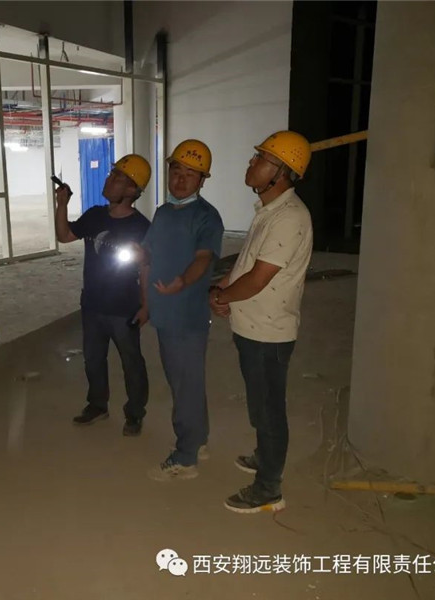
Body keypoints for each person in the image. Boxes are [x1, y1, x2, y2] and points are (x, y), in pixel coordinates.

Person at [209, 130, 313, 513]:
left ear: (281, 172)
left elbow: (257, 279)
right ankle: (264, 456)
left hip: (268, 333)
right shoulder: (269, 211)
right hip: (251, 326)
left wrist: (221, 298)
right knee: (259, 403)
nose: (251, 163)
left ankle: (269, 488)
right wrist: (223, 287)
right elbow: (245, 265)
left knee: (269, 411)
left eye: (261, 159)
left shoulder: (290, 218)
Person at [139, 140, 224, 481]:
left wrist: (182, 281)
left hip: (186, 316)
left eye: (191, 173)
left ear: (202, 180)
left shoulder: (206, 217)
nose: (181, 179)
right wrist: (146, 302)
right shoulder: (163, 213)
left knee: (185, 385)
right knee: (186, 383)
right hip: (164, 313)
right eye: (177, 170)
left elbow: (203, 258)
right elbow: (148, 252)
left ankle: (185, 458)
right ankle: (198, 440)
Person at [55, 154, 152, 436]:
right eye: (112, 174)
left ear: (132, 190)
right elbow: (65, 236)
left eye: (118, 177)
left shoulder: (141, 227)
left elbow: (146, 267)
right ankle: (97, 405)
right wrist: (62, 204)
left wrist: (146, 305)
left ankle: (135, 413)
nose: (110, 179)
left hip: (123, 307)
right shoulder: (95, 215)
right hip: (92, 304)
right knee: (93, 359)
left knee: (131, 362)